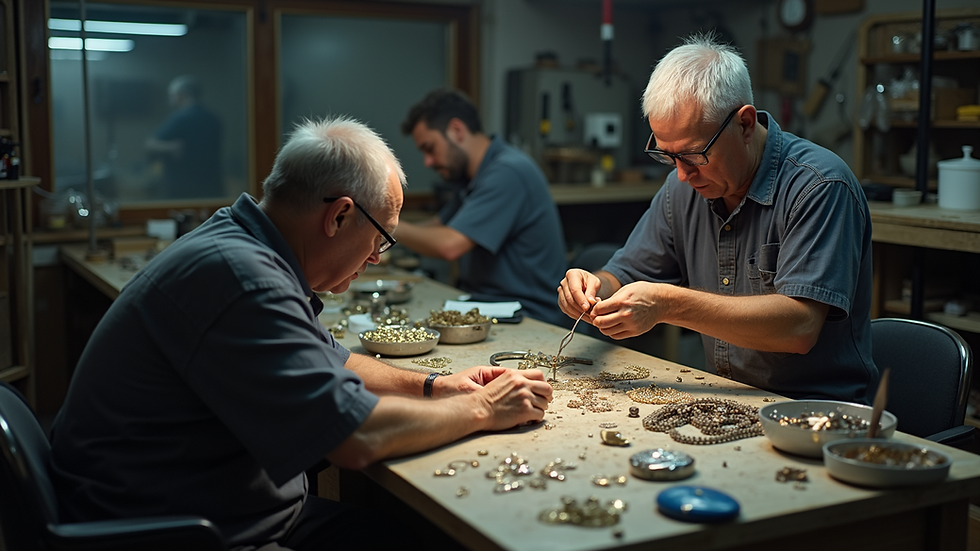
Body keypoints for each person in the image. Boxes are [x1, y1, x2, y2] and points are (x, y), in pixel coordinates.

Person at [50, 116, 553, 550]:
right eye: (380, 241)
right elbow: (355, 439)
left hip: (205, 508)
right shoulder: (242, 279)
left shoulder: (243, 242)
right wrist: (482, 409)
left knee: (394, 536)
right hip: (169, 534)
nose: (375, 260)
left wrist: (432, 386)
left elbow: (333, 358)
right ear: (339, 216)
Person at [557, 34, 878, 404]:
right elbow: (626, 274)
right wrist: (592, 287)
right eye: (667, 156)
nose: (681, 175)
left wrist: (667, 304)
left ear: (743, 125)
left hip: (817, 411)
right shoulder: (683, 190)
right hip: (726, 400)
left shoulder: (819, 186)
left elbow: (799, 327)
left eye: (694, 156)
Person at [396, 89, 569, 326]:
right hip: (487, 303)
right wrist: (383, 238)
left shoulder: (507, 172)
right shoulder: (473, 175)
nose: (428, 162)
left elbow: (449, 245)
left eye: (430, 148)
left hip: (528, 315)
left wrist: (385, 225)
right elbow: (439, 225)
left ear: (456, 131)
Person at [145, 74, 224, 199]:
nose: (170, 99)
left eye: (171, 95)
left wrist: (171, 148)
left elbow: (150, 145)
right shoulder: (213, 119)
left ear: (181, 94)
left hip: (182, 188)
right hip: (210, 186)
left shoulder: (181, 118)